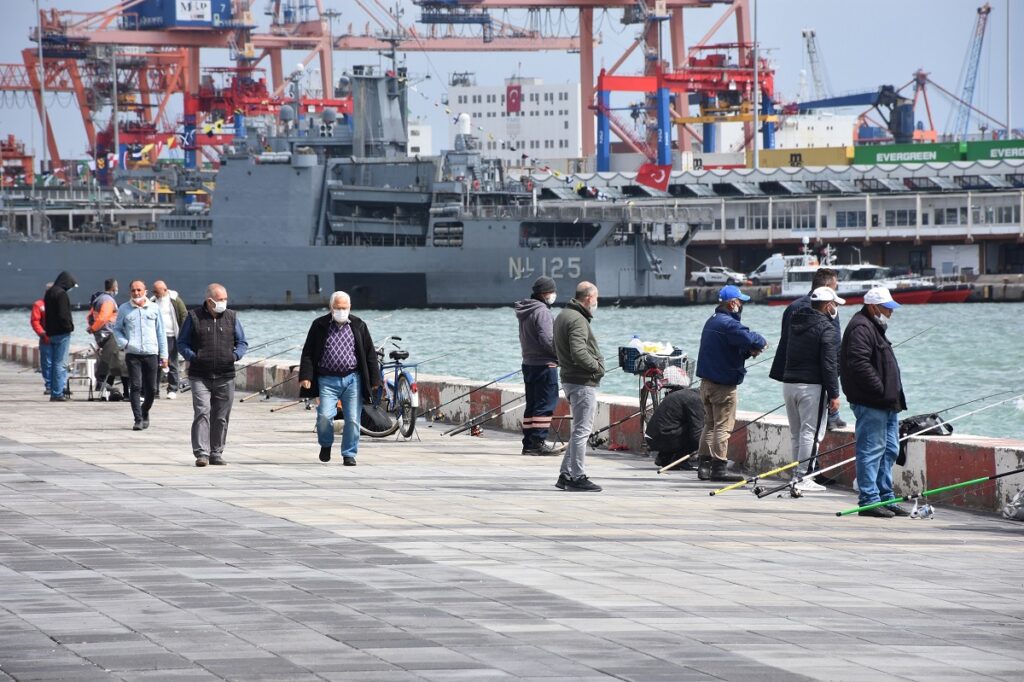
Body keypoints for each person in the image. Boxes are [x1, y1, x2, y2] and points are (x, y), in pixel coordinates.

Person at [840, 286, 909, 518]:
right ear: (873, 307)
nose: (890, 312)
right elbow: (858, 364)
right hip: (873, 402)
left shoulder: (874, 326)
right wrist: (879, 390)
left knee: (890, 449)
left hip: (888, 402)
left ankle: (885, 496)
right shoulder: (861, 327)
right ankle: (869, 500)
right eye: (886, 308)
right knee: (870, 450)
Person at [695, 285, 768, 482]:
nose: (742, 305)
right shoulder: (729, 324)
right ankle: (719, 468)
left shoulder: (712, 321)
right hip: (723, 386)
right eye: (741, 302)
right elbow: (749, 337)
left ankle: (703, 466)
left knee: (709, 425)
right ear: (733, 303)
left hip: (706, 384)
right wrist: (761, 343)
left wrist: (747, 352)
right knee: (722, 427)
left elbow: (727, 349)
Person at [299, 291, 380, 466]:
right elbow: (308, 352)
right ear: (331, 307)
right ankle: (326, 444)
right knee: (324, 416)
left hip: (353, 379)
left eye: (344, 308)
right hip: (327, 380)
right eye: (338, 308)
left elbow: (370, 354)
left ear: (350, 307)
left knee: (352, 419)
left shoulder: (359, 325)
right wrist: (306, 376)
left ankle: (349, 453)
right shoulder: (319, 325)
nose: (341, 311)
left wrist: (375, 380)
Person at [177, 283, 248, 467]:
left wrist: (235, 356)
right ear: (210, 301)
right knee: (202, 412)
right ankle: (202, 453)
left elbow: (242, 342)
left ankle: (216, 452)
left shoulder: (232, 317)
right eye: (221, 300)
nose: (224, 302)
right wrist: (194, 357)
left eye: (225, 299)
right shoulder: (193, 317)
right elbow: (182, 343)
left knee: (221, 416)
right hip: (199, 375)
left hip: (226, 375)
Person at [781, 287, 844, 492]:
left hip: (789, 384)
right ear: (827, 306)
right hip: (811, 387)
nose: (835, 309)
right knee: (811, 433)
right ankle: (803, 477)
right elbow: (829, 364)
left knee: (796, 433)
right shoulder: (826, 328)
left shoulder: (795, 322)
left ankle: (796, 475)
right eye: (834, 304)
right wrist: (834, 393)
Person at [769, 267, 847, 430]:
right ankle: (832, 417)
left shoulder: (793, 307)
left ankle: (832, 416)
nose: (836, 290)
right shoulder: (828, 308)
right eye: (835, 286)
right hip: (814, 378)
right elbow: (833, 344)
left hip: (792, 376)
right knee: (810, 433)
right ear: (826, 286)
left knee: (797, 432)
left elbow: (786, 340)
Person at [552, 281, 605, 492]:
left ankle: (565, 475)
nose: (597, 302)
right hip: (582, 382)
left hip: (568, 378)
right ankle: (577, 476)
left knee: (577, 432)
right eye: (597, 298)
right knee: (582, 431)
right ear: (589, 298)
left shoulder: (563, 315)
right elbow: (579, 352)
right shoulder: (578, 320)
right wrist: (596, 369)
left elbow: (554, 347)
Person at [113, 280, 168, 430]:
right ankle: (137, 419)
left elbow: (161, 333)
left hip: (151, 353)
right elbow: (116, 329)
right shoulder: (124, 309)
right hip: (133, 353)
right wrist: (124, 343)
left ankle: (145, 411)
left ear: (145, 291)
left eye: (139, 290)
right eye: (133, 290)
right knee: (135, 386)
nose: (136, 293)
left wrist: (164, 356)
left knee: (151, 389)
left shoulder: (154, 308)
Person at [515, 275, 560, 456]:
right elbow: (547, 339)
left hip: (528, 363)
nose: (554, 295)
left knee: (532, 405)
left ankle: (528, 442)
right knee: (545, 404)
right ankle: (538, 442)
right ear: (545, 293)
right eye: (552, 291)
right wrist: (561, 355)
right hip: (545, 365)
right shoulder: (542, 311)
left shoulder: (526, 310)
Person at [645, 386, 703, 470]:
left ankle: (665, 457)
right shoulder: (696, 400)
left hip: (653, 436)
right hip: (662, 437)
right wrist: (709, 455)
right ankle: (679, 460)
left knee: (683, 424)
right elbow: (696, 434)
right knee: (700, 430)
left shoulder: (688, 394)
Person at [87, 278, 127, 398]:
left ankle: (109, 391)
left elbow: (89, 316)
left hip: (103, 337)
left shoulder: (98, 299)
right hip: (110, 336)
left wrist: (92, 329)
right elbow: (103, 318)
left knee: (113, 367)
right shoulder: (108, 300)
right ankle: (116, 391)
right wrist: (94, 328)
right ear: (114, 287)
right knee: (118, 366)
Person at [43, 271, 77, 402]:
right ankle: (57, 393)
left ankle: (53, 388)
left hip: (51, 332)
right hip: (62, 333)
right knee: (60, 364)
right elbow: (64, 315)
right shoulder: (61, 294)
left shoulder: (49, 293)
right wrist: (70, 327)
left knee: (53, 363)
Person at [151, 280, 188, 399]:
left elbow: (184, 316)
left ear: (165, 290)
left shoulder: (175, 300)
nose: (155, 293)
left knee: (171, 362)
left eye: (157, 291)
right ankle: (154, 390)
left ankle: (172, 388)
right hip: (156, 338)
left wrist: (184, 334)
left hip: (171, 337)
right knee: (157, 364)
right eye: (154, 291)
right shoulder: (152, 301)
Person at [30, 283, 53, 395]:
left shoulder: (59, 304)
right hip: (46, 339)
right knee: (47, 363)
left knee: (60, 363)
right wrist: (42, 333)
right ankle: (49, 385)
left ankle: (60, 385)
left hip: (59, 337)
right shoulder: (39, 305)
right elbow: (35, 321)